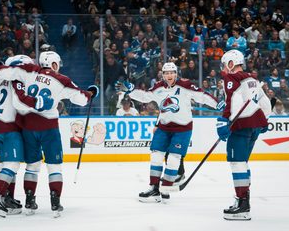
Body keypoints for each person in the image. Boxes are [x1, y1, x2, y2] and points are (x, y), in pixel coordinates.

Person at [0, 51, 99, 217]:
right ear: (55, 64)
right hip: (49, 129)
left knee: (32, 166)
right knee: (54, 166)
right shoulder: (62, 80)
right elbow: (82, 99)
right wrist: (91, 93)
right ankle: (55, 203)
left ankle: (29, 201)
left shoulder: (29, 70)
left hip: (28, 127)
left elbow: (4, 72)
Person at [115, 62, 218, 203]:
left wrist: (218, 103)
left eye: (172, 72)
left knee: (174, 158)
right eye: (166, 73)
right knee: (156, 156)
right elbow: (145, 96)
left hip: (182, 128)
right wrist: (131, 90)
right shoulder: (158, 87)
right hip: (163, 127)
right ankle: (154, 189)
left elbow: (203, 96)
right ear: (162, 75)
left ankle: (166, 187)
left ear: (176, 73)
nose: (169, 75)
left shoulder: (186, 86)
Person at [0, 55, 53, 218]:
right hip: (10, 128)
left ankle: (7, 198)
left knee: (5, 164)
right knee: (12, 165)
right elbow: (19, 105)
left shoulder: (2, 83)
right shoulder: (18, 81)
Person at [217, 49, 271, 220]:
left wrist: (224, 120)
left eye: (225, 65)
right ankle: (242, 199)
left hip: (241, 127)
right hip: (253, 127)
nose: (223, 69)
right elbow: (265, 104)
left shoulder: (231, 78)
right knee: (243, 163)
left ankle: (243, 205)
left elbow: (232, 101)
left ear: (231, 64)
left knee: (237, 163)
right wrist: (263, 121)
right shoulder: (252, 79)